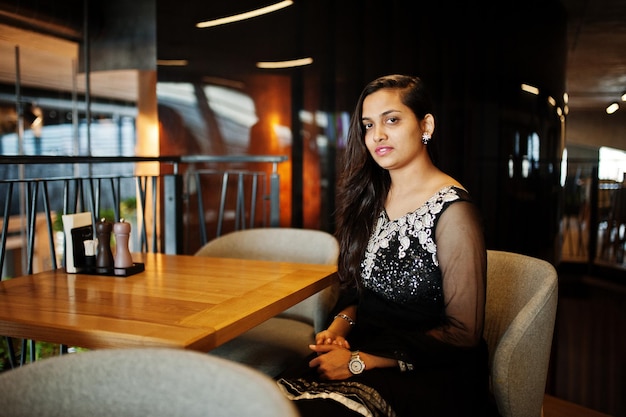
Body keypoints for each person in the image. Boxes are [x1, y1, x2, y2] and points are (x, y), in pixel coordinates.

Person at [277, 74, 490, 417]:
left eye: (392, 120)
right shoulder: (371, 197)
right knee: (266, 402)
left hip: (427, 372)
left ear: (426, 125)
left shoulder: (455, 213)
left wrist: (360, 363)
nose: (377, 135)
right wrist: (337, 330)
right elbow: (360, 294)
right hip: (361, 349)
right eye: (367, 124)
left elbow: (463, 334)